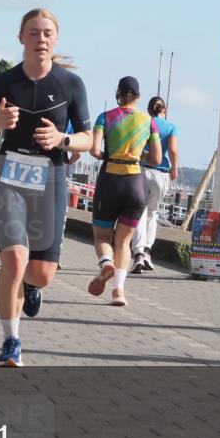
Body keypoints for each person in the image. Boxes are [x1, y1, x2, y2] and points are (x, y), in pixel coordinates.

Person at [0, 8, 91, 367]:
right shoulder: (2, 83)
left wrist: (62, 138)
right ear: (21, 38)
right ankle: (11, 341)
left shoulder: (70, 85)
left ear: (56, 39)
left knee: (40, 273)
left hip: (50, 179)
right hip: (9, 176)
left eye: (47, 33)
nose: (41, 39)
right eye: (33, 33)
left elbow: (88, 139)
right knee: (15, 259)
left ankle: (33, 288)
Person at [87, 77, 162, 306]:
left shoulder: (105, 117)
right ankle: (118, 291)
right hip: (135, 183)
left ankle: (106, 263)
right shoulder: (149, 122)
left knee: (102, 236)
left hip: (110, 179)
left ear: (118, 93)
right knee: (124, 241)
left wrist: (108, 155)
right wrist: (140, 156)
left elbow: (94, 150)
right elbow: (157, 159)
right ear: (138, 96)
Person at [130, 96, 178, 273]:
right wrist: (174, 168)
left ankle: (138, 255)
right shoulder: (171, 127)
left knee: (139, 213)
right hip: (161, 174)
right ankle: (148, 252)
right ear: (164, 110)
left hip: (141, 170)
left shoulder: (143, 123)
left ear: (149, 110)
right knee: (153, 213)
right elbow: (172, 150)